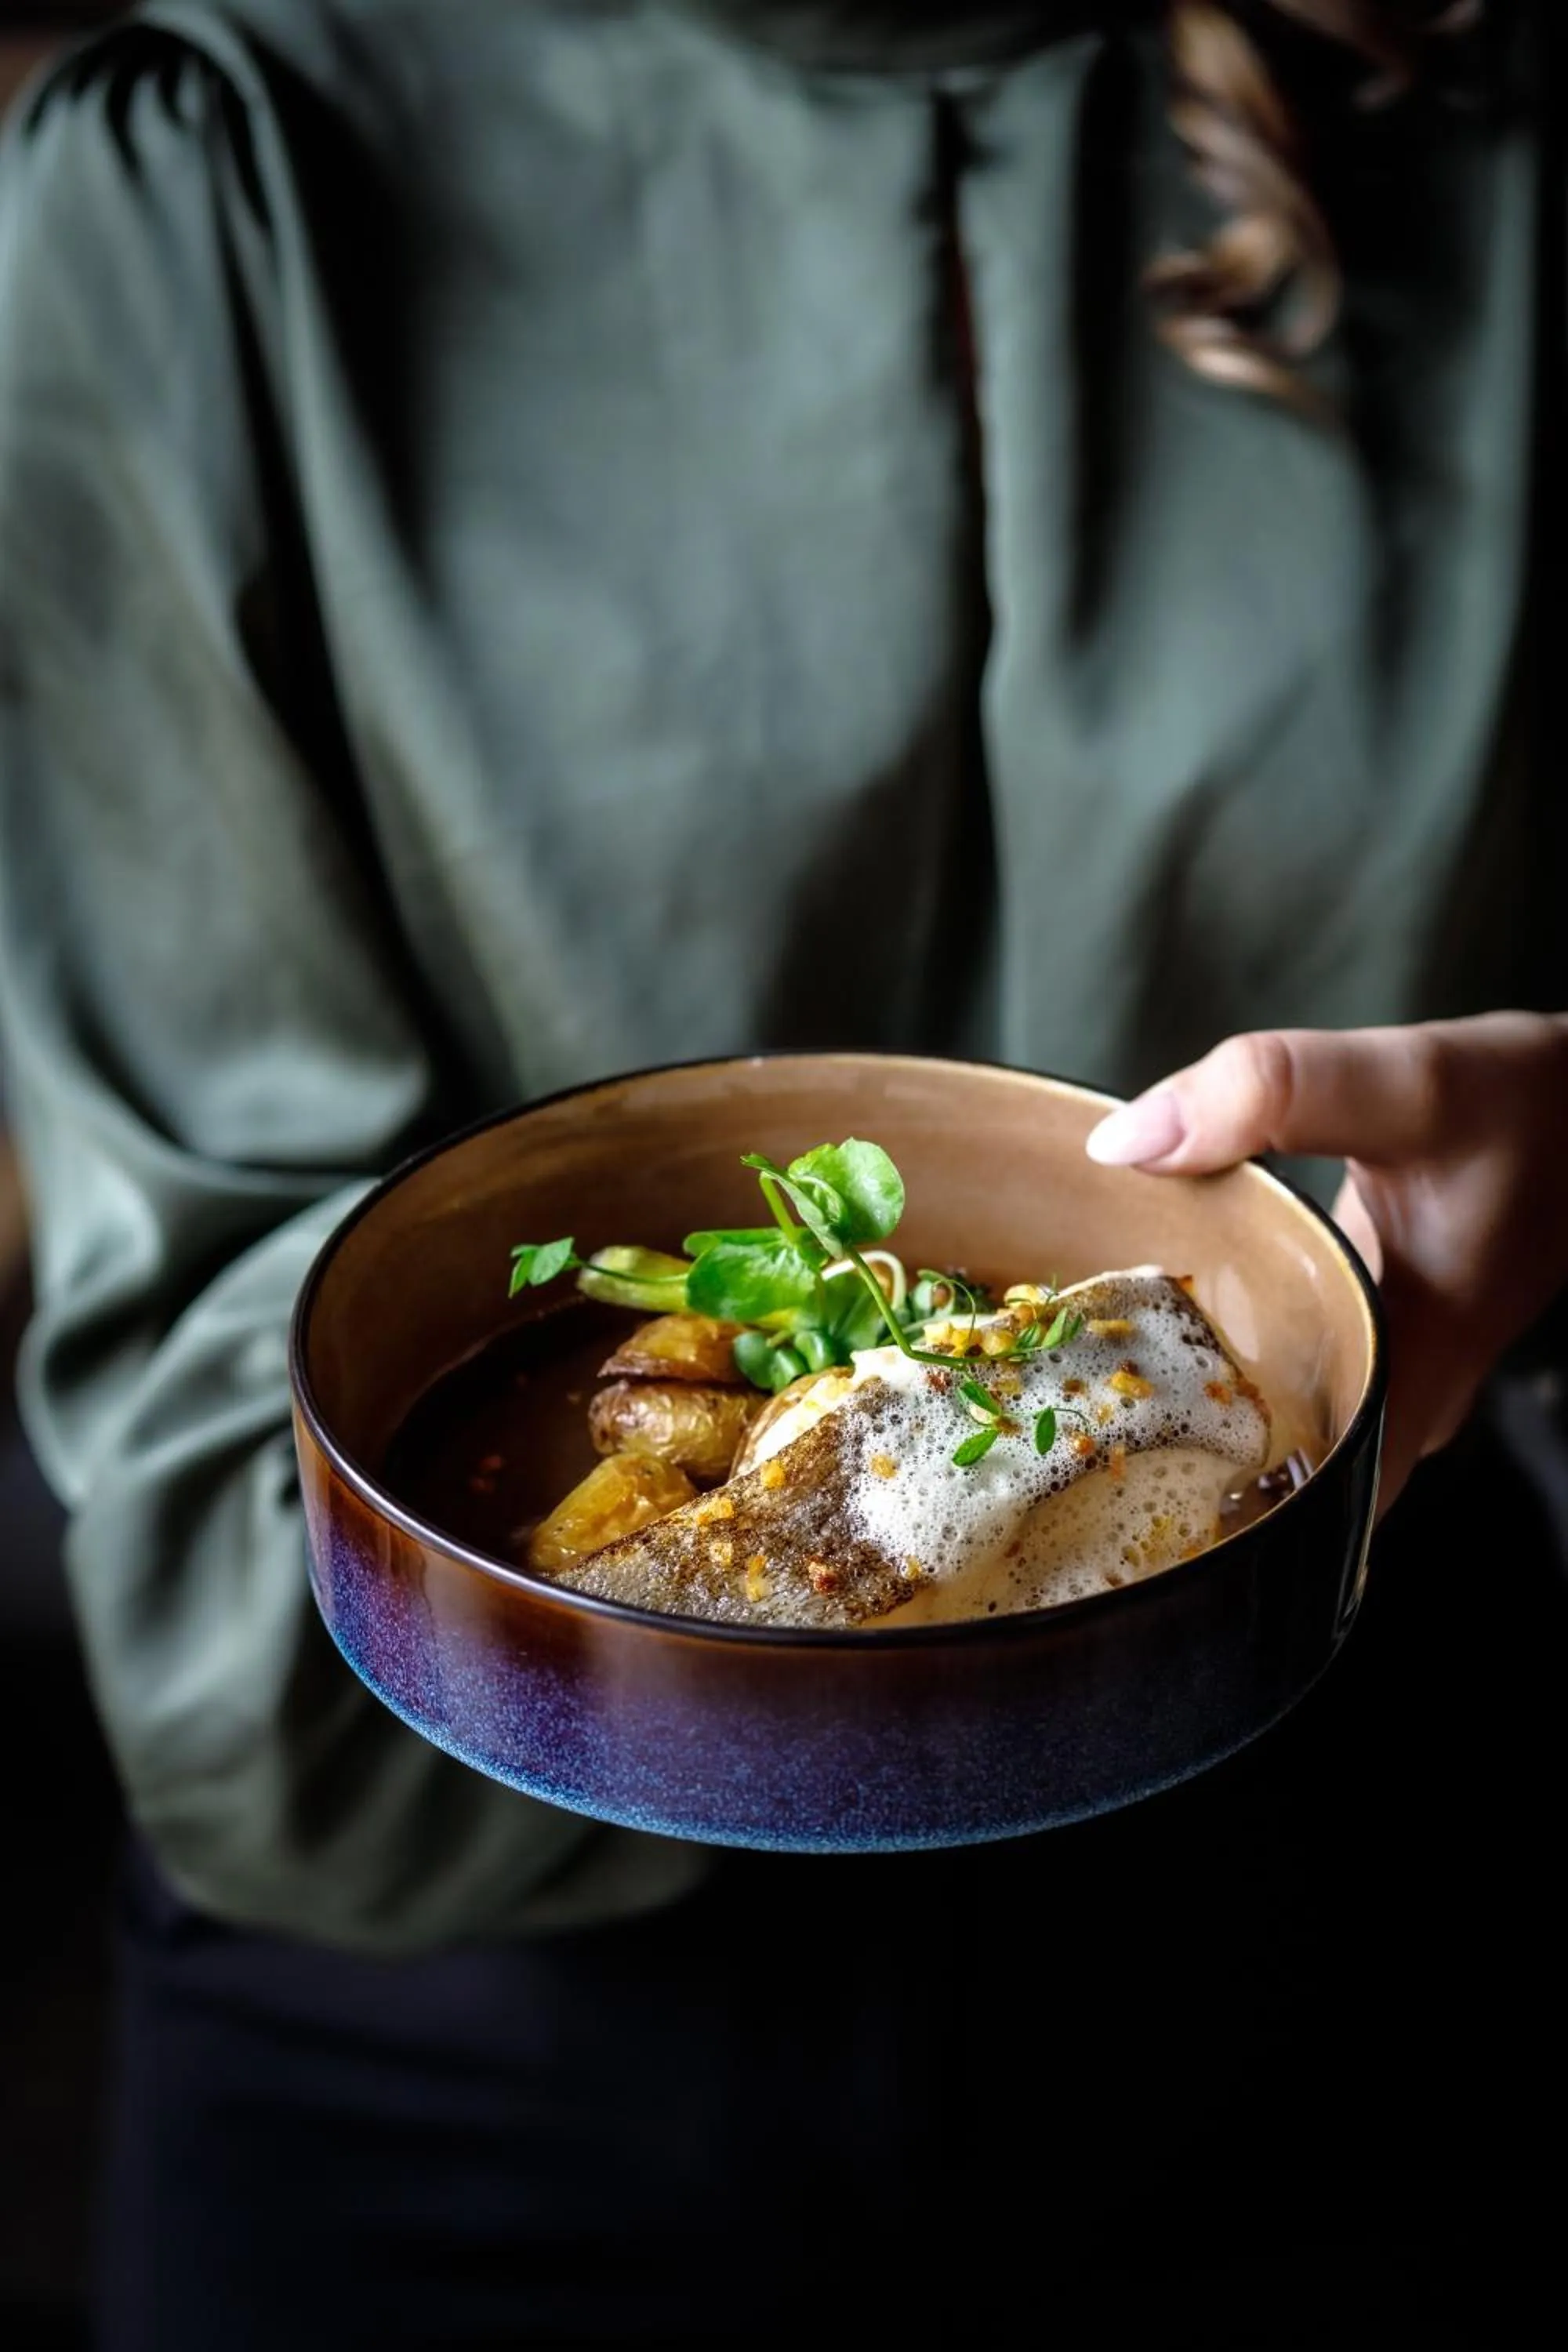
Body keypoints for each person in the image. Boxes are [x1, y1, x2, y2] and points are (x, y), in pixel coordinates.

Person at [1, 0, 1564, 2342]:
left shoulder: (1493, 123)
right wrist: (812, 1546)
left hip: (1360, 1943)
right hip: (453, 2042)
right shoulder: (214, 178)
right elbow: (213, 1381)